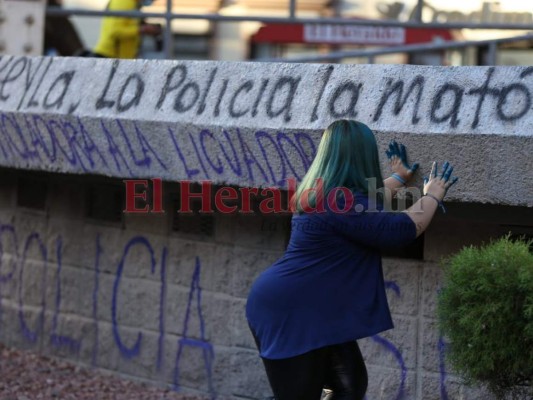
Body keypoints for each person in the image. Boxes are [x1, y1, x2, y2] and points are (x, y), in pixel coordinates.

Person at [245, 119, 458, 400]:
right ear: (363, 156)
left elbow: (366, 205)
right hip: (291, 313)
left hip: (305, 309)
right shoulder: (339, 201)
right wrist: (431, 195)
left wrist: (399, 178)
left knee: (349, 386)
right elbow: (398, 230)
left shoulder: (328, 195)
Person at [91, 0, 162, 59]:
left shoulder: (133, 3)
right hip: (110, 56)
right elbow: (114, 31)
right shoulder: (124, 2)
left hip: (119, 58)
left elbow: (128, 25)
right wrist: (142, 29)